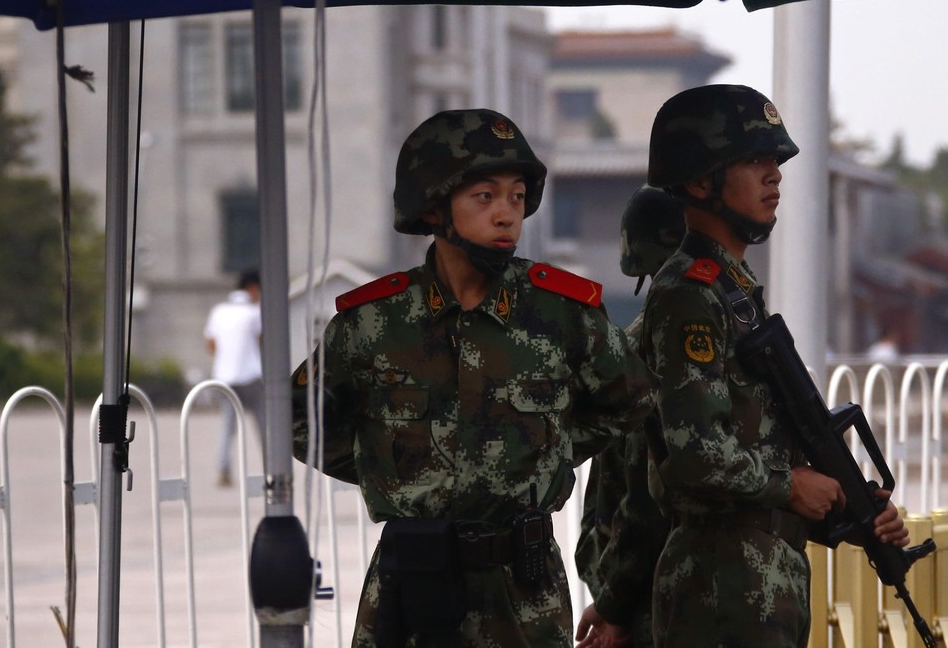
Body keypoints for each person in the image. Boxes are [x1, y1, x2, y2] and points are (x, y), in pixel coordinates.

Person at [289, 108, 657, 648]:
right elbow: (301, 419)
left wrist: (543, 453)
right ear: (435, 207)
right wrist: (389, 468)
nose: (507, 214)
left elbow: (631, 401)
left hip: (524, 591)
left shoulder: (563, 313)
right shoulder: (372, 321)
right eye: (485, 197)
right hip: (407, 584)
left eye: (516, 197)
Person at [634, 85, 909, 647]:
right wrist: (790, 487)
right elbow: (694, 456)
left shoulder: (732, 289)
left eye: (774, 161)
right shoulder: (688, 294)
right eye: (753, 161)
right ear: (698, 181)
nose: (774, 175)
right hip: (719, 587)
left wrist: (850, 507)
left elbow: (760, 444)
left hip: (759, 578)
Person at [574, 185, 682, 648]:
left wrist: (614, 597)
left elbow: (628, 495)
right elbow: (641, 491)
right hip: (654, 593)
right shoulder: (653, 345)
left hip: (643, 588)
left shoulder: (636, 344)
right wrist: (616, 604)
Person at [204, 269, 264, 487]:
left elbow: (210, 344)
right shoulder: (255, 311)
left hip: (223, 377)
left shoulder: (218, 311)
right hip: (251, 376)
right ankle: (271, 467)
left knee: (227, 427)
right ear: (253, 288)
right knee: (263, 424)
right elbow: (260, 340)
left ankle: (223, 470)